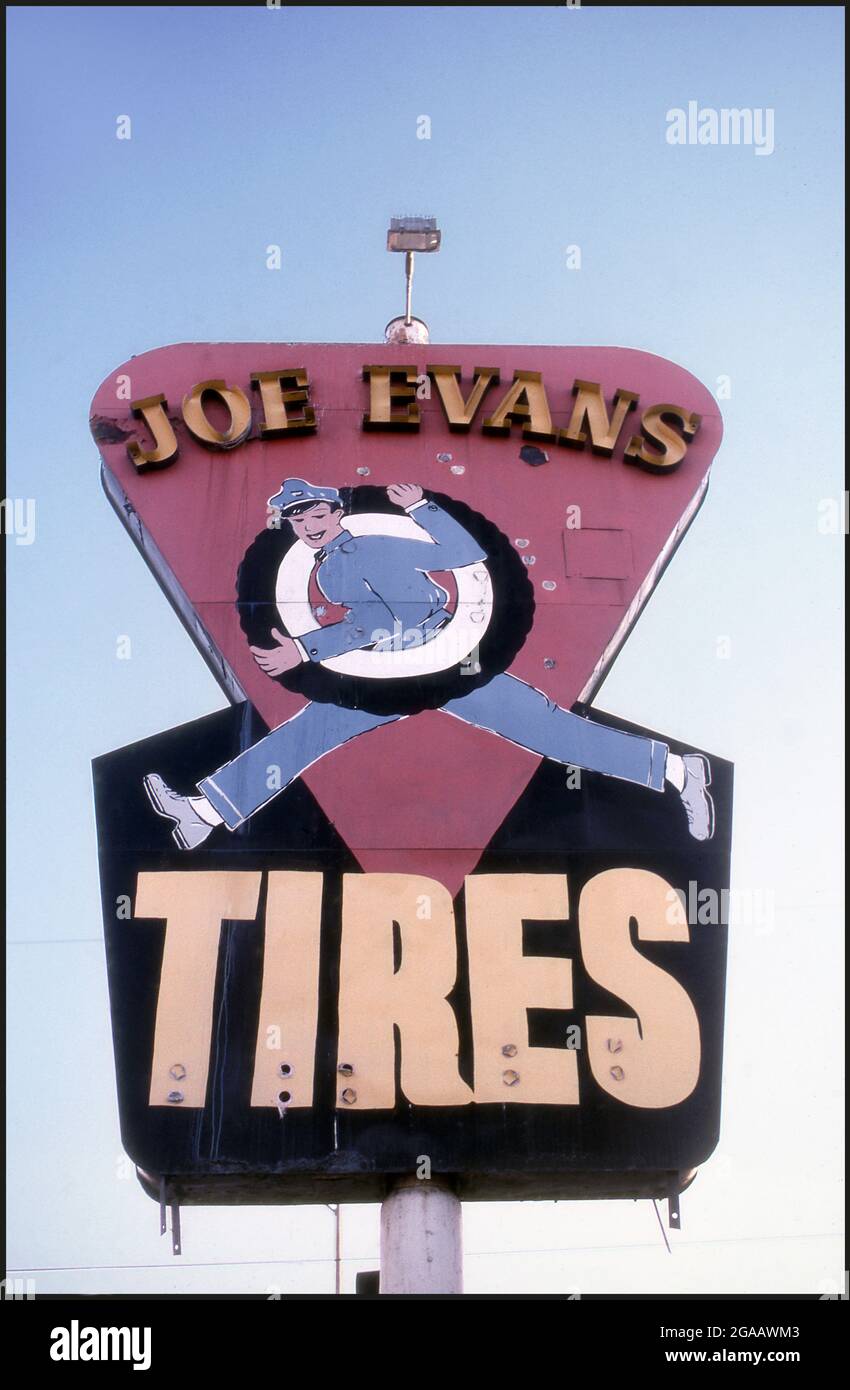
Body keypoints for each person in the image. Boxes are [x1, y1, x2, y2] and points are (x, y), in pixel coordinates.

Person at [144, 479, 714, 848]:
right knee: (310, 731)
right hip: (390, 670)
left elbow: (462, 557)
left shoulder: (378, 544)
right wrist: (312, 648)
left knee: (552, 733)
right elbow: (368, 625)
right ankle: (205, 812)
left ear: (333, 509)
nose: (307, 522)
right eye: (295, 518)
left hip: (444, 656)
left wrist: (422, 507)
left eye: (312, 509)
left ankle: (677, 773)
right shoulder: (327, 571)